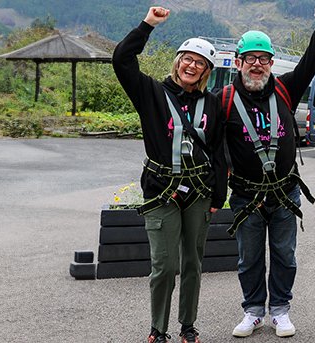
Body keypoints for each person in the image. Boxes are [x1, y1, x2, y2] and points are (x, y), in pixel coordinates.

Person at [111, 6, 226, 343]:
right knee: (164, 265)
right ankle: (157, 329)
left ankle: (187, 326)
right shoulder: (151, 93)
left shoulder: (214, 104)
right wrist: (147, 25)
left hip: (201, 191)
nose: (191, 65)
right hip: (162, 190)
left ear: (206, 71)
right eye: (186, 59)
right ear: (177, 62)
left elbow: (219, 150)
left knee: (192, 263)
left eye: (199, 62)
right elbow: (121, 60)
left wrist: (219, 195)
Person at [220, 5, 315, 339]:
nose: (257, 64)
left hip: (284, 193)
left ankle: (280, 310)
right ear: (238, 62)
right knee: (249, 258)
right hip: (245, 195)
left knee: (285, 255)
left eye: (263, 58)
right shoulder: (223, 99)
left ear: (270, 63)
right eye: (250, 58)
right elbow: (207, 142)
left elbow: (310, 62)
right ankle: (253, 312)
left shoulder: (285, 89)